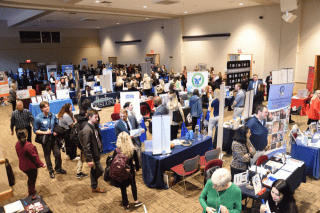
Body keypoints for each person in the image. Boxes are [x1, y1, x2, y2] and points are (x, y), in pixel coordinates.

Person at [33, 101, 65, 179]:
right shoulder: (38, 118)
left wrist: (56, 132)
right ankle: (51, 171)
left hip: (54, 139)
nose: (47, 108)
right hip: (45, 140)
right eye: (45, 107)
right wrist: (45, 132)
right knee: (47, 156)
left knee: (57, 154)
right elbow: (35, 130)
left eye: (48, 106)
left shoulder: (53, 115)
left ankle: (58, 168)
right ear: (41, 109)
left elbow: (56, 124)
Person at [112, 132, 143, 211]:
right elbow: (136, 161)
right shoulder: (132, 149)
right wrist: (137, 169)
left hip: (121, 172)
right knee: (133, 185)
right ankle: (136, 201)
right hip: (131, 171)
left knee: (123, 188)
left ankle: (126, 205)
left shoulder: (116, 150)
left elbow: (113, 161)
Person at [15, 129, 46, 200]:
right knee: (32, 180)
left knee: (30, 179)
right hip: (30, 167)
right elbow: (35, 157)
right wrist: (42, 164)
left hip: (22, 166)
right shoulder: (28, 145)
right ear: (26, 136)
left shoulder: (17, 144)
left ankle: (30, 191)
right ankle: (32, 195)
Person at [80, 109, 106, 193]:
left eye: (97, 117)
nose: (97, 119)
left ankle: (94, 187)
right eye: (95, 117)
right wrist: (89, 160)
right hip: (93, 155)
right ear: (90, 117)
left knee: (94, 170)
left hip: (96, 152)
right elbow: (86, 146)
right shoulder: (87, 130)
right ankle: (94, 184)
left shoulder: (93, 125)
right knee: (100, 171)